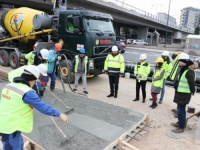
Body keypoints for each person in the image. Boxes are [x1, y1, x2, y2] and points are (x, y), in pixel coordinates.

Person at [0, 65, 69, 150]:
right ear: (32, 80)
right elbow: (43, 107)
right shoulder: (27, 92)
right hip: (10, 127)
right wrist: (59, 114)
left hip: (3, 122)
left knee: (20, 143)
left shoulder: (9, 86)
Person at [171, 53, 197, 133]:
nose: (178, 62)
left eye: (180, 61)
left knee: (181, 110)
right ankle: (179, 123)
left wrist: (192, 91)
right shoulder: (184, 69)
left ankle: (181, 127)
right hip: (180, 93)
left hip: (184, 94)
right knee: (179, 109)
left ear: (184, 61)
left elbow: (191, 83)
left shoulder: (189, 71)